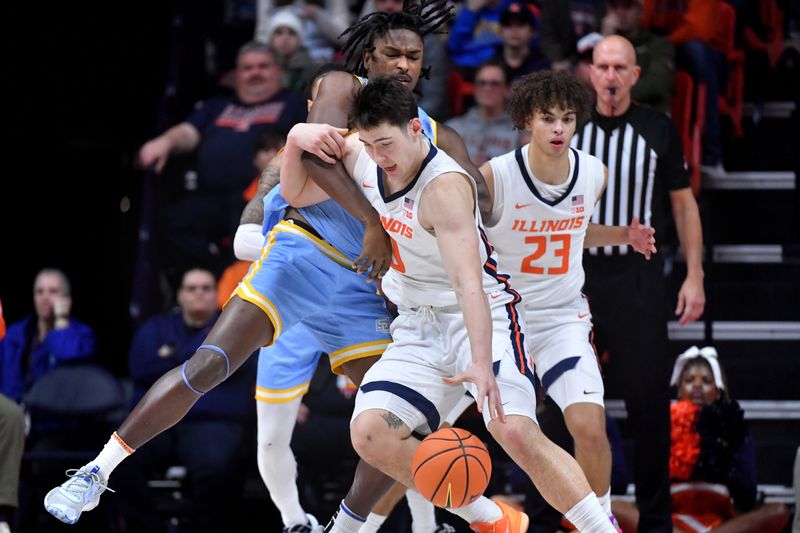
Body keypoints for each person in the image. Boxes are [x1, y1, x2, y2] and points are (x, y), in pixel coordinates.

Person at [280, 76, 620, 533]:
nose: (381, 157)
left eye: (387, 144)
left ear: (416, 130)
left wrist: (481, 363)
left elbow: (468, 285)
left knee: (512, 428)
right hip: (417, 325)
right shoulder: (363, 155)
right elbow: (297, 193)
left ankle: (603, 529)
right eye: (370, 145)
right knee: (369, 434)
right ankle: (493, 519)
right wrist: (294, 137)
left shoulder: (445, 188)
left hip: (479, 318)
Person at [480, 69, 657, 531]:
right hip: (505, 318)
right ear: (526, 121)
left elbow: (574, 233)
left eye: (567, 119)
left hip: (562, 318)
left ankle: (598, 523)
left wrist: (625, 236)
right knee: (517, 434)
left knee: (590, 427)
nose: (559, 129)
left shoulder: (593, 173)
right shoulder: (496, 177)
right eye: (548, 119)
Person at [570, 35, 706, 533]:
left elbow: (683, 205)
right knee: (564, 402)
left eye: (618, 67)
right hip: (575, 280)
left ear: (633, 74)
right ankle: (557, 517)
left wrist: (694, 275)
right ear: (590, 71)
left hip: (638, 280)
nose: (609, 76)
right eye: (601, 66)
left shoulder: (656, 127)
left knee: (648, 407)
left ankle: (655, 523)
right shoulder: (570, 128)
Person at [137, 41, 307, 289]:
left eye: (263, 66)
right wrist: (164, 142)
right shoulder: (217, 106)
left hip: (265, 196)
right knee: (175, 222)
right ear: (235, 75)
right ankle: (217, 280)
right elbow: (188, 132)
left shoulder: (293, 103)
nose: (255, 73)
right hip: (214, 197)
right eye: (247, 68)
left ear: (279, 72)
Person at [111, 267, 257, 533]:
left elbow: (240, 372)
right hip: (158, 422)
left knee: (218, 464)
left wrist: (172, 357)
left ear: (217, 294)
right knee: (121, 462)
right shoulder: (156, 327)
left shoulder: (234, 328)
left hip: (211, 424)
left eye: (206, 288)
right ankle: (149, 528)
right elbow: (139, 366)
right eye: (191, 288)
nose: (198, 294)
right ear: (179, 295)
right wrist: (199, 362)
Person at [612, 345, 790, 532]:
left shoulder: (734, 430)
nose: (697, 385)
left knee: (778, 511)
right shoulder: (662, 427)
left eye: (706, 380)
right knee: (614, 507)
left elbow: (747, 497)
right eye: (689, 380)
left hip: (722, 525)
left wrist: (726, 453)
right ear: (679, 389)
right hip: (670, 524)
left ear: (718, 390)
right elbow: (649, 489)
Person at [640, 0, 726, 172]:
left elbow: (698, 30)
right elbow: (641, 20)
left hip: (706, 51)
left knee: (695, 51)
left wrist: (660, 45)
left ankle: (711, 152)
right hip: (666, 43)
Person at [0, 268, 96, 406]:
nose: (45, 297)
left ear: (67, 299)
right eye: (40, 291)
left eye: (53, 291)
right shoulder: (15, 334)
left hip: (56, 418)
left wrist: (61, 319)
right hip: (18, 415)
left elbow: (66, 357)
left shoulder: (83, 335)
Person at [445, 59, 525, 166]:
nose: (487, 88)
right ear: (475, 87)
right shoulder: (453, 128)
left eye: (495, 84)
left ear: (507, 89)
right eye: (482, 83)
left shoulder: (520, 133)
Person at [600, 0, 675, 113]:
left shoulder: (660, 45)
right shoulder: (602, 41)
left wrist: (612, 93)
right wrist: (605, 42)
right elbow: (589, 83)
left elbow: (657, 85)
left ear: (640, 11)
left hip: (649, 116)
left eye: (627, 6)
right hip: (610, 118)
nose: (620, 12)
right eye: (614, 6)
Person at [263, 8, 319, 95]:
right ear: (271, 39)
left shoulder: (312, 71)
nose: (285, 38)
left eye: (292, 33)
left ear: (300, 40)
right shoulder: (261, 67)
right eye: (279, 33)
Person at [492, 1, 548, 82]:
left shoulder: (543, 65)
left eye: (520, 25)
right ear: (501, 31)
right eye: (508, 25)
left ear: (532, 31)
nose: (514, 30)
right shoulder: (491, 63)